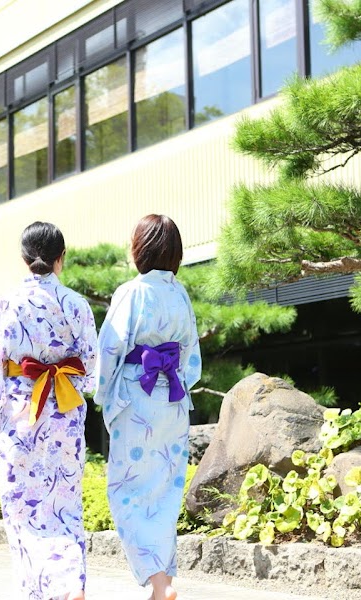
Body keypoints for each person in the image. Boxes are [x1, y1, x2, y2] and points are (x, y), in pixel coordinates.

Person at [0, 221, 97, 600]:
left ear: (24, 259)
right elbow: (90, 367)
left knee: (22, 511)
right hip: (64, 415)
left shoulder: (7, 303)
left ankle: (42, 590)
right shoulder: (77, 303)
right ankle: (69, 581)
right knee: (64, 507)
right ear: (62, 258)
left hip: (20, 416)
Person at [94, 214, 202, 600]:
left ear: (139, 250)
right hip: (172, 399)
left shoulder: (132, 292)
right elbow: (191, 357)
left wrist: (103, 393)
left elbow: (109, 349)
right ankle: (163, 585)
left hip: (136, 396)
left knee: (125, 493)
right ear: (175, 253)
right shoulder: (180, 294)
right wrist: (179, 384)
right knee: (165, 490)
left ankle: (158, 580)